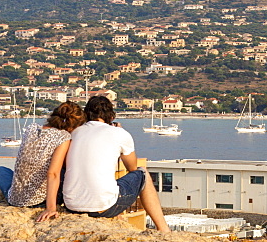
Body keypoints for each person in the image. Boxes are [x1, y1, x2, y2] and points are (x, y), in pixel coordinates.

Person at [38, 96, 169, 232]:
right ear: (111, 116)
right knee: (143, 174)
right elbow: (132, 168)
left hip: (72, 206)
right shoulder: (119, 133)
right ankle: (163, 229)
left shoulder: (73, 133)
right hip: (103, 208)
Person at [0, 101, 85, 207]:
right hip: (39, 200)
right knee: (66, 170)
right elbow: (53, 174)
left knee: (0, 171)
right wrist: (51, 208)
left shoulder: (31, 128)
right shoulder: (63, 137)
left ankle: (15, 193)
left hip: (15, 199)